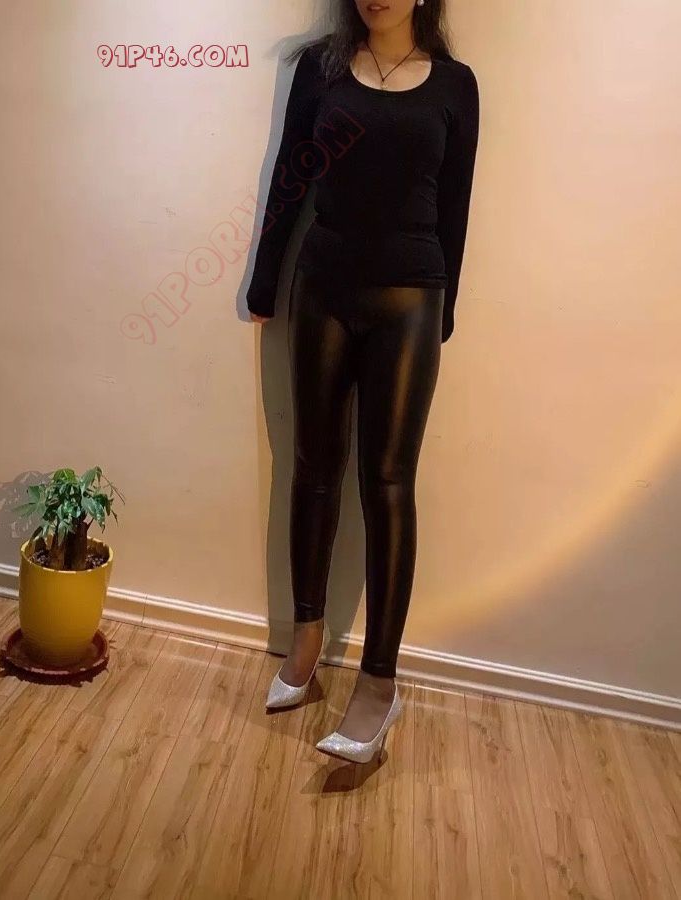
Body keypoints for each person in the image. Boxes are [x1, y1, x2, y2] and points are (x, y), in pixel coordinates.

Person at [246, 0, 479, 764]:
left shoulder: (455, 85)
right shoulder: (319, 71)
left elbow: (455, 205)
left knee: (387, 483)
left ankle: (379, 681)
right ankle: (305, 641)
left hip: (409, 297)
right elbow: (290, 178)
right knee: (312, 468)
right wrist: (264, 282)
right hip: (322, 286)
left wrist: (444, 312)